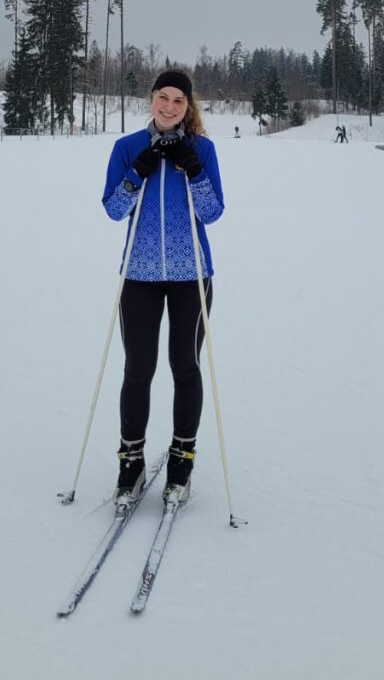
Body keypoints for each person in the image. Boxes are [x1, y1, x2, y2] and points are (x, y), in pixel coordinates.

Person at [101, 68, 225, 505]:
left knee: (185, 366)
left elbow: (212, 213)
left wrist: (193, 169)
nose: (169, 107)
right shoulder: (127, 147)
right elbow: (114, 209)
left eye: (178, 100)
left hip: (191, 273)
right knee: (138, 369)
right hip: (140, 274)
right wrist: (137, 172)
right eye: (163, 97)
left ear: (188, 106)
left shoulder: (202, 149)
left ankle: (181, 459)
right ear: (151, 98)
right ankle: (130, 462)